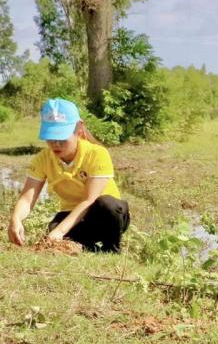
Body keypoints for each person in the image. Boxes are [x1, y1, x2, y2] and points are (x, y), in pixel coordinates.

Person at [7, 98, 130, 253]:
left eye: (61, 138)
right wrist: (16, 219)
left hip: (105, 215)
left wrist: (59, 232)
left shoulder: (97, 154)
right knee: (54, 232)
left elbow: (89, 200)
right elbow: (27, 198)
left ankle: (112, 250)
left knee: (108, 205)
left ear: (79, 129)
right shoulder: (42, 159)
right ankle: (90, 251)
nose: (56, 144)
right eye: (51, 138)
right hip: (73, 215)